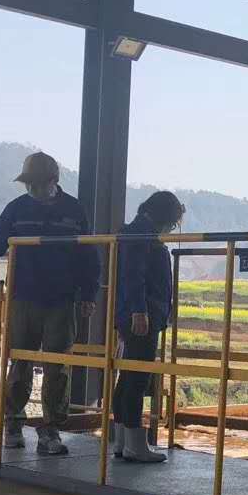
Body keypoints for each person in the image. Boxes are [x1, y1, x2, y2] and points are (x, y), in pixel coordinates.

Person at [0, 151, 99, 456]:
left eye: (37, 183)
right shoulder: (17, 209)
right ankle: (13, 423)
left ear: (53, 181)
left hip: (61, 299)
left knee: (57, 367)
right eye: (28, 184)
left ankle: (51, 430)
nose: (32, 188)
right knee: (19, 362)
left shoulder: (74, 210)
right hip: (23, 297)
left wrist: (89, 294)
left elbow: (88, 254)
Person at [112, 190, 184, 463]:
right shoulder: (142, 235)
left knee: (127, 377)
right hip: (142, 316)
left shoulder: (135, 232)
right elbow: (135, 276)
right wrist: (140, 311)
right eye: (172, 223)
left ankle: (122, 441)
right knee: (137, 378)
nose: (170, 229)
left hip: (133, 313)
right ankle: (134, 444)